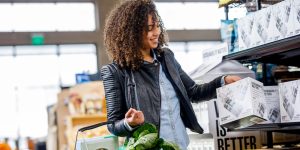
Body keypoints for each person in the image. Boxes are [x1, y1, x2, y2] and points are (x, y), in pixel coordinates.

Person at [100, 0, 241, 149]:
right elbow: (112, 125)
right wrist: (129, 123)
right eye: (149, 28)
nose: (157, 32)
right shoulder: (115, 72)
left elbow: (194, 92)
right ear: (132, 32)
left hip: (180, 145)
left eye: (157, 26)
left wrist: (223, 81)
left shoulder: (167, 58)